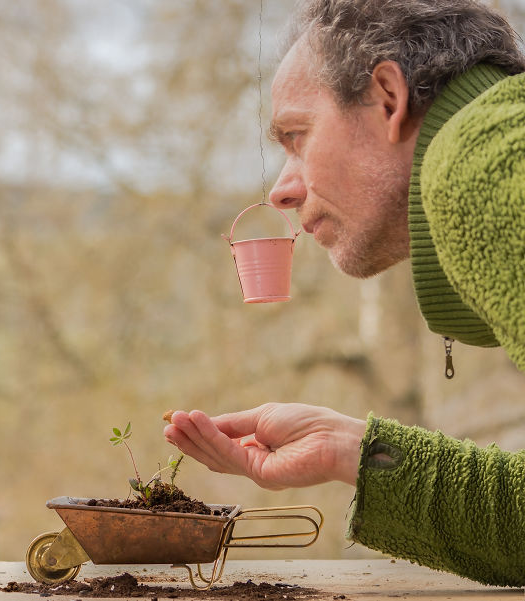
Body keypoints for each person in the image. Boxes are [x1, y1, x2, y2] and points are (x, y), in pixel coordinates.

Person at [164, 0, 525, 587]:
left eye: (298, 136)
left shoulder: (480, 165)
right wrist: (349, 450)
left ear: (389, 98)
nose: (281, 190)